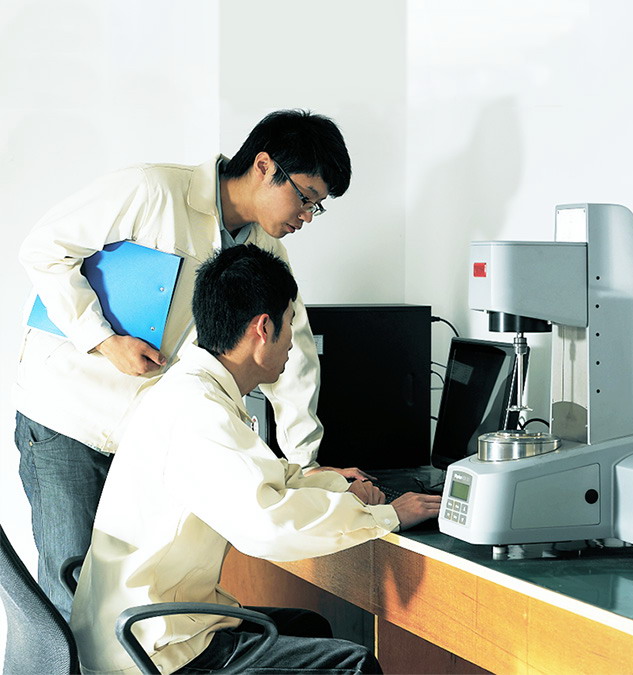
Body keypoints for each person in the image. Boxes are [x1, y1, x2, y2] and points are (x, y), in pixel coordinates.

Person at [15, 109, 371, 621]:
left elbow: (292, 355)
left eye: (318, 206)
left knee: (124, 603)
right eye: (305, 197)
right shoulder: (154, 191)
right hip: (69, 415)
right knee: (67, 595)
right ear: (265, 166)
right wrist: (104, 340)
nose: (308, 216)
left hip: (142, 439)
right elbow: (44, 249)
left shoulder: (265, 248)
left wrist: (304, 463)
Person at [70, 244, 441, 674]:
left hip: (139, 622)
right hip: (154, 650)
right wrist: (388, 516)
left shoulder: (190, 389)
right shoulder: (199, 412)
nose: (293, 345)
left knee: (309, 627)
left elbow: (261, 478)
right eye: (290, 325)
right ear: (263, 329)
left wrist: (338, 485)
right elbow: (269, 524)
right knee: (351, 665)